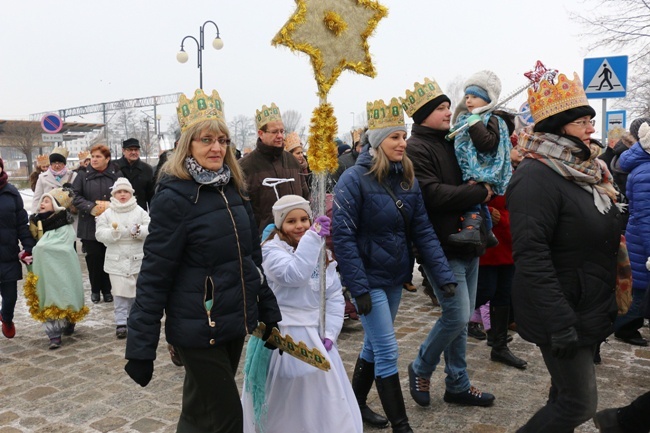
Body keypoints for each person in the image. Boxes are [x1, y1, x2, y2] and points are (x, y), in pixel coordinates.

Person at [124, 88, 281, 433]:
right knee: (226, 419)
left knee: (199, 413)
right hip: (199, 328)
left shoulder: (232, 189)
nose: (216, 148)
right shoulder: (175, 197)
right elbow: (155, 273)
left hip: (234, 321)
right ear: (187, 145)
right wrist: (141, 344)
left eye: (222, 140)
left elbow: (250, 259)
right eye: (206, 139)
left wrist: (267, 310)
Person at [333, 97, 456, 433]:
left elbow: (423, 231)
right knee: (387, 349)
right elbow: (343, 239)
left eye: (403, 136)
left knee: (374, 344)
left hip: (393, 276)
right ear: (377, 142)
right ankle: (402, 426)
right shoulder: (353, 180)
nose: (403, 143)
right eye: (395, 137)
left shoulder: (408, 180)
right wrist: (357, 288)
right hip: (368, 278)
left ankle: (355, 405)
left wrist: (442, 275)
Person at [507, 70, 619, 432]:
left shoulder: (586, 169)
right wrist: (560, 320)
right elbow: (531, 254)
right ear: (558, 126)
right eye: (581, 121)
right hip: (560, 308)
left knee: (563, 395)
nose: (590, 128)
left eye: (591, 120)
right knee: (578, 403)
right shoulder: (535, 176)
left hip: (585, 299)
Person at [399, 77, 495, 408]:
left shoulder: (453, 139)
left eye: (445, 106)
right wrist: (480, 192)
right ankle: (421, 365)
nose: (447, 111)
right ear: (424, 113)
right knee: (456, 315)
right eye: (440, 108)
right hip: (440, 245)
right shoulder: (416, 148)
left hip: (469, 240)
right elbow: (432, 195)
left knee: (464, 317)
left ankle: (458, 383)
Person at [242, 195, 362, 433]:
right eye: (291, 221)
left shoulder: (319, 251)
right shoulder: (271, 251)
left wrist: (330, 332)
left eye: (304, 219)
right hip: (283, 336)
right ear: (279, 225)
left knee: (323, 399)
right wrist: (312, 237)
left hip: (316, 337)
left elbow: (333, 296)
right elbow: (295, 274)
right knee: (285, 398)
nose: (300, 226)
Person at [448, 70, 514, 247]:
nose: (468, 101)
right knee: (480, 202)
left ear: (488, 99)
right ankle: (489, 230)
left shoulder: (492, 119)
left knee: (473, 199)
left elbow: (487, 143)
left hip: (483, 168)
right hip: (471, 166)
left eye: (474, 97)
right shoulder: (468, 119)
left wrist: (475, 123)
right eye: (467, 96)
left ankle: (471, 229)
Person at [25, 187, 88, 349]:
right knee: (48, 296)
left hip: (62, 269)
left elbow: (64, 247)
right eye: (42, 201)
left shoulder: (64, 225)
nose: (42, 204)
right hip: (44, 271)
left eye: (47, 201)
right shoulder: (35, 223)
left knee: (65, 293)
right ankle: (53, 335)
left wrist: (42, 248)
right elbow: (31, 243)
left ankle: (68, 320)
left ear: (56, 205)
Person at [475, 193, 527, 369]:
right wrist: (485, 212)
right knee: (484, 291)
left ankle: (499, 346)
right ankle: (457, 326)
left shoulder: (515, 171)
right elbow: (464, 195)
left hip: (508, 240)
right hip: (488, 241)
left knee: (504, 295)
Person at [240, 103, 310, 233]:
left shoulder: (292, 161)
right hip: (264, 240)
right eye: (274, 132)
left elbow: (305, 196)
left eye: (282, 131)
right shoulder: (245, 167)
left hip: (296, 236)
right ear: (261, 133)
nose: (280, 136)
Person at [95, 177, 150, 339]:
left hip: (136, 258)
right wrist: (112, 234)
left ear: (131, 193)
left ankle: (133, 319)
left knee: (135, 292)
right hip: (116, 259)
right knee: (119, 293)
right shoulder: (107, 213)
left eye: (126, 191)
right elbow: (99, 233)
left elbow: (151, 227)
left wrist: (140, 230)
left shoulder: (139, 211)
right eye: (119, 192)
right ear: (114, 194)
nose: (123, 194)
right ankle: (120, 322)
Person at [613, 120, 650, 347]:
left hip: (639, 235)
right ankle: (624, 327)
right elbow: (647, 217)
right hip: (642, 239)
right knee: (638, 289)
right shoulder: (646, 172)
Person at [72, 144, 122, 304]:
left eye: (98, 156)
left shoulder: (116, 174)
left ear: (107, 159)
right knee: (94, 258)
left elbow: (123, 193)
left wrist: (111, 205)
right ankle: (95, 289)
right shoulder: (82, 175)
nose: (94, 159)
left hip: (110, 223)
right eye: (92, 156)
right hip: (89, 224)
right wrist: (90, 206)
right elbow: (74, 195)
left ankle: (107, 290)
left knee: (109, 256)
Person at [0, 157, 36, 338]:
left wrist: (28, 246)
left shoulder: (11, 193)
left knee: (10, 296)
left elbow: (22, 224)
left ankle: (6, 318)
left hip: (7, 254)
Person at [32, 146, 77, 213]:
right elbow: (37, 198)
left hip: (68, 214)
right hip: (49, 214)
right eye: (54, 163)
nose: (57, 165)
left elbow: (78, 196)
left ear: (64, 164)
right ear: (50, 164)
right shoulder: (42, 177)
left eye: (60, 163)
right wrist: (34, 215)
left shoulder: (73, 176)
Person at [115, 138, 155, 210]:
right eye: (130, 149)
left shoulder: (147, 169)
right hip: (118, 210)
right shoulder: (114, 167)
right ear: (123, 151)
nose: (133, 152)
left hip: (139, 211)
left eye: (136, 150)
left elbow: (151, 195)